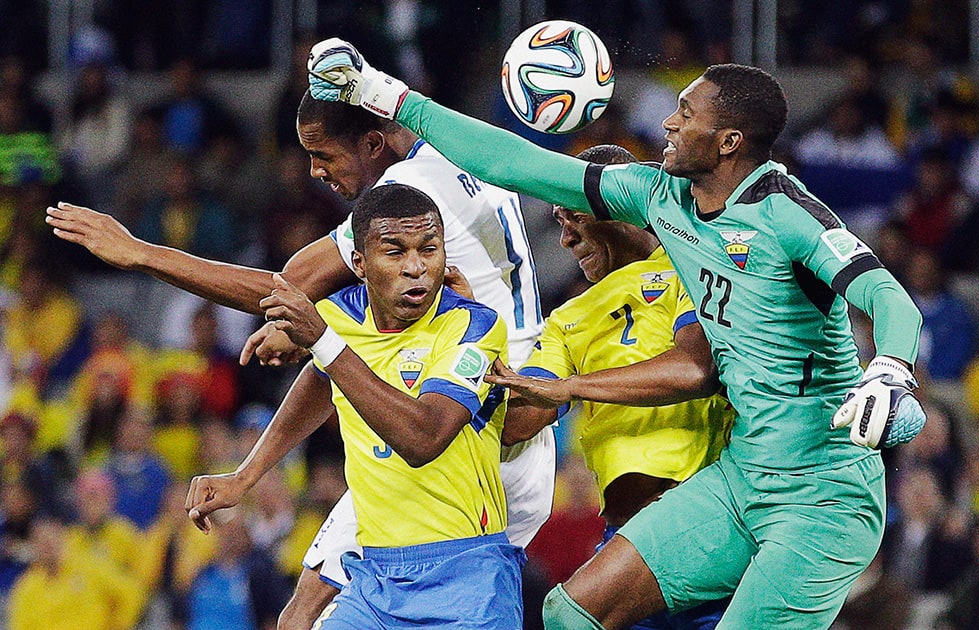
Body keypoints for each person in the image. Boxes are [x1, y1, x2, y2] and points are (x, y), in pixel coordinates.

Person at [307, 40, 927, 629]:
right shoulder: (663, 196)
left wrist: (892, 368)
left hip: (822, 495)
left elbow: (886, 294)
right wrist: (383, 93)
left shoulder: (787, 214)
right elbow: (513, 162)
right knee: (569, 614)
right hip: (743, 478)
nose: (668, 125)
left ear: (729, 140)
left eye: (686, 114)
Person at [45, 91, 552, 629]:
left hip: (475, 449)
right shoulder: (459, 157)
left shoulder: (408, 207)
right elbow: (321, 366)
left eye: (324, 154)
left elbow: (288, 286)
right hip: (463, 434)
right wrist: (246, 473)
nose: (314, 171)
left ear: (374, 144)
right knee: (298, 618)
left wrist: (143, 253)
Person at [189, 183, 523, 627]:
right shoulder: (343, 317)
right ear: (360, 265)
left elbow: (423, 438)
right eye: (395, 252)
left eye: (430, 249)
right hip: (376, 581)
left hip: (465, 577)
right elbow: (320, 381)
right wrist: (245, 476)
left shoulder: (472, 325)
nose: (416, 267)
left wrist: (322, 341)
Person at [502, 143, 734, 630]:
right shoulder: (568, 318)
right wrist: (474, 325)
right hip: (625, 538)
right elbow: (520, 422)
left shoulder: (691, 267)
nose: (565, 240)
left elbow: (696, 369)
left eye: (572, 219)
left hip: (711, 525)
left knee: (568, 616)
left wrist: (573, 388)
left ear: (619, 203)